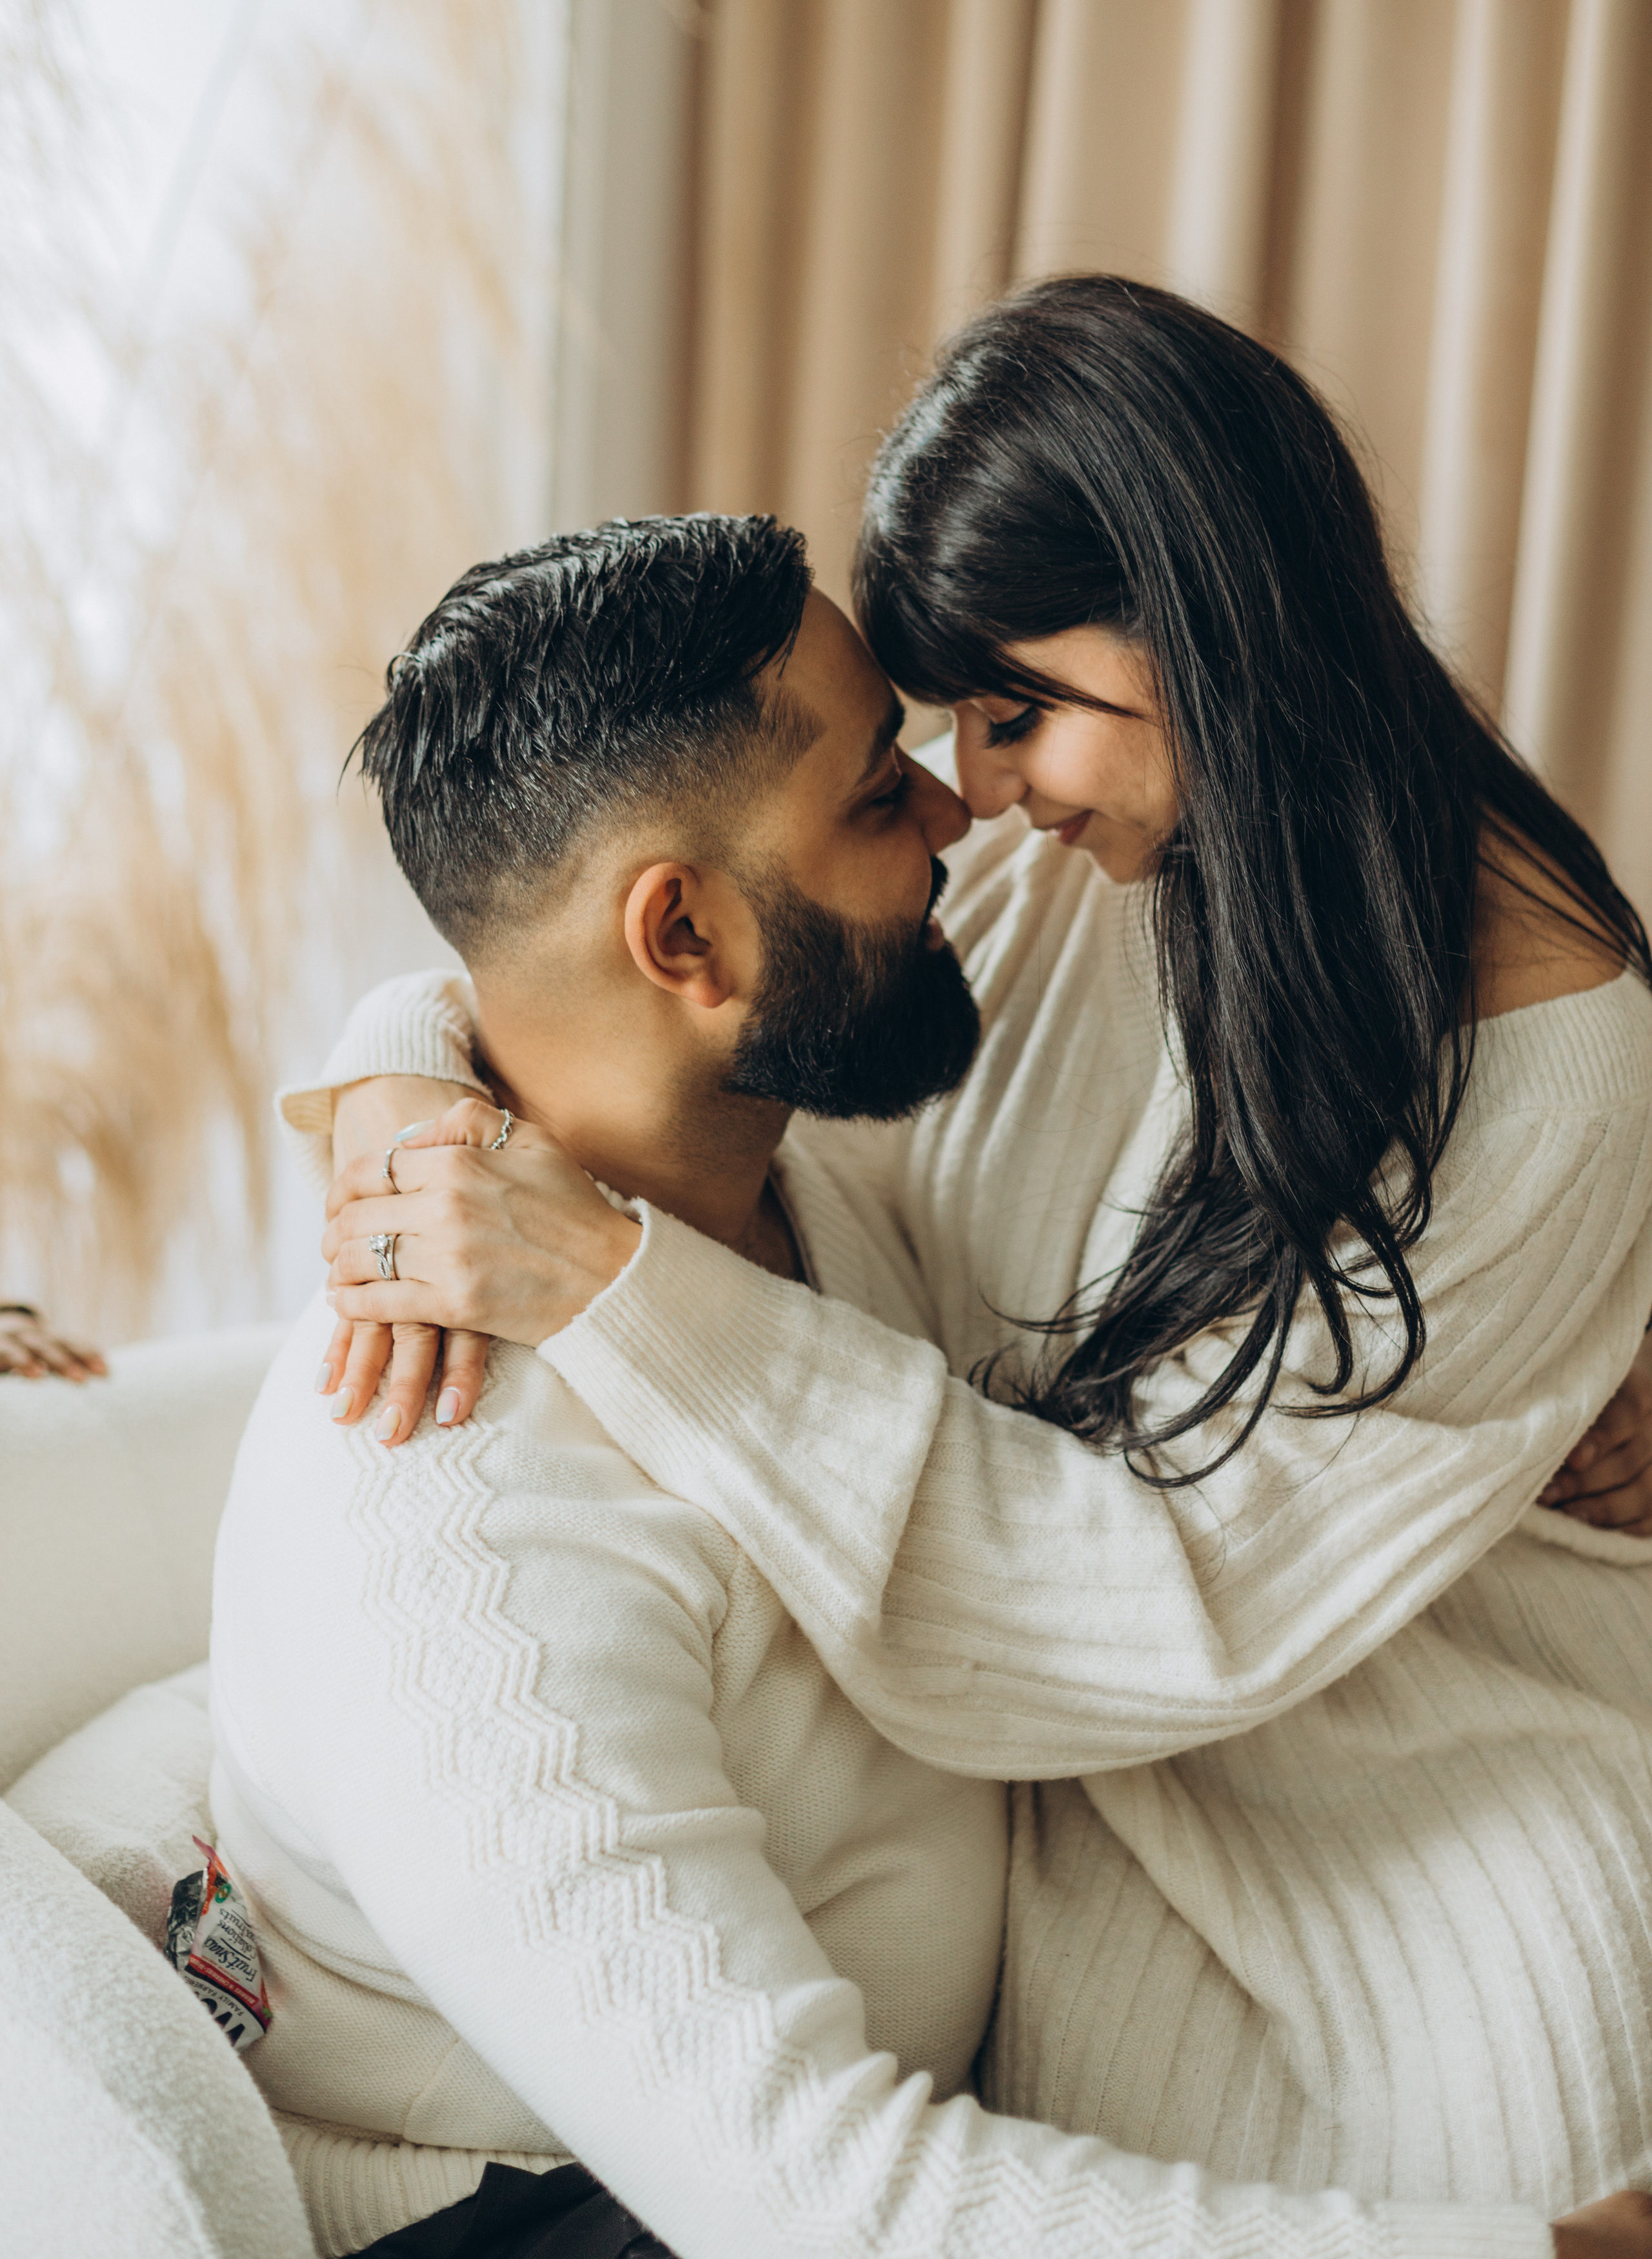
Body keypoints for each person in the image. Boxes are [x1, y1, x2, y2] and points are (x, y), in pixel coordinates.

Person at [320, 283, 1652, 2228]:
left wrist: (620, 1285)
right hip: (1086, 1807)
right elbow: (632, 974)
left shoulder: (1536, 1054)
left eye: (1017, 714)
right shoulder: (1112, 858)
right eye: (946, 732)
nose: (978, 795)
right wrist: (406, 1071)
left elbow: (1170, 1607)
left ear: (1212, 629)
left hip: (1415, 1847)